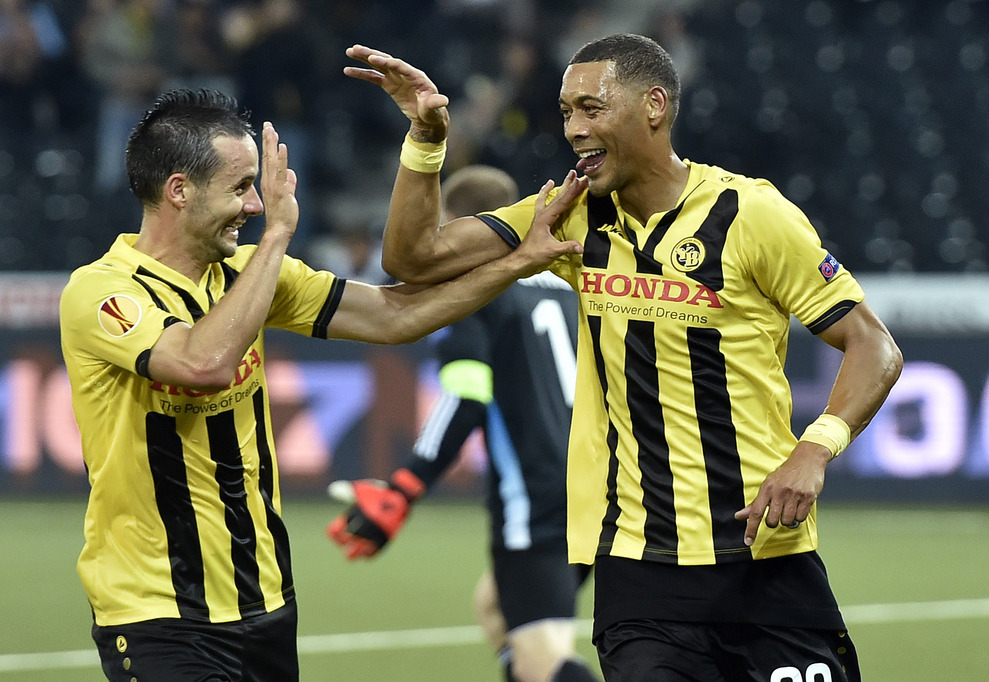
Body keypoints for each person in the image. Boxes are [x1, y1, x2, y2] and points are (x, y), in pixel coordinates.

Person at [343, 33, 904, 682]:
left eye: (591, 108)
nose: (574, 129)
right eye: (564, 113)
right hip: (638, 573)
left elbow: (873, 345)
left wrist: (815, 450)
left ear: (654, 107)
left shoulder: (752, 215)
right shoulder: (572, 215)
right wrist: (427, 140)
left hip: (763, 557)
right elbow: (413, 259)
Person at [58, 88, 586, 682]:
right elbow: (201, 363)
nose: (256, 205)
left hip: (267, 604)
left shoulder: (252, 275)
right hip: (157, 614)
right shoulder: (103, 293)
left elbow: (395, 315)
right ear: (179, 190)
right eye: (240, 188)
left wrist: (517, 262)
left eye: (257, 187)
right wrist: (279, 237)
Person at [326, 165, 600, 682]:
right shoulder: (565, 286)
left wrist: (404, 487)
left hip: (539, 498)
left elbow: (465, 397)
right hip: (602, 486)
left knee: (546, 659)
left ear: (459, 226)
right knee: (494, 606)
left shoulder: (476, 289)